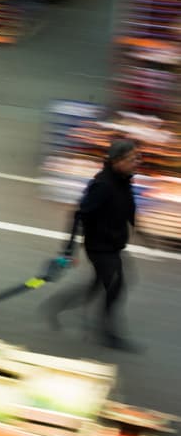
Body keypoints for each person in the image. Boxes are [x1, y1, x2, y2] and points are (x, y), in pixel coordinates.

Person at [44, 140, 141, 351]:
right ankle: (108, 334)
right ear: (117, 161)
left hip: (113, 244)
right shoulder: (102, 185)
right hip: (100, 247)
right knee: (115, 286)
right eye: (132, 159)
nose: (136, 162)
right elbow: (79, 215)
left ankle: (58, 304)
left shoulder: (124, 180)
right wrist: (69, 249)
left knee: (99, 284)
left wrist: (139, 228)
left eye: (137, 158)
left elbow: (128, 205)